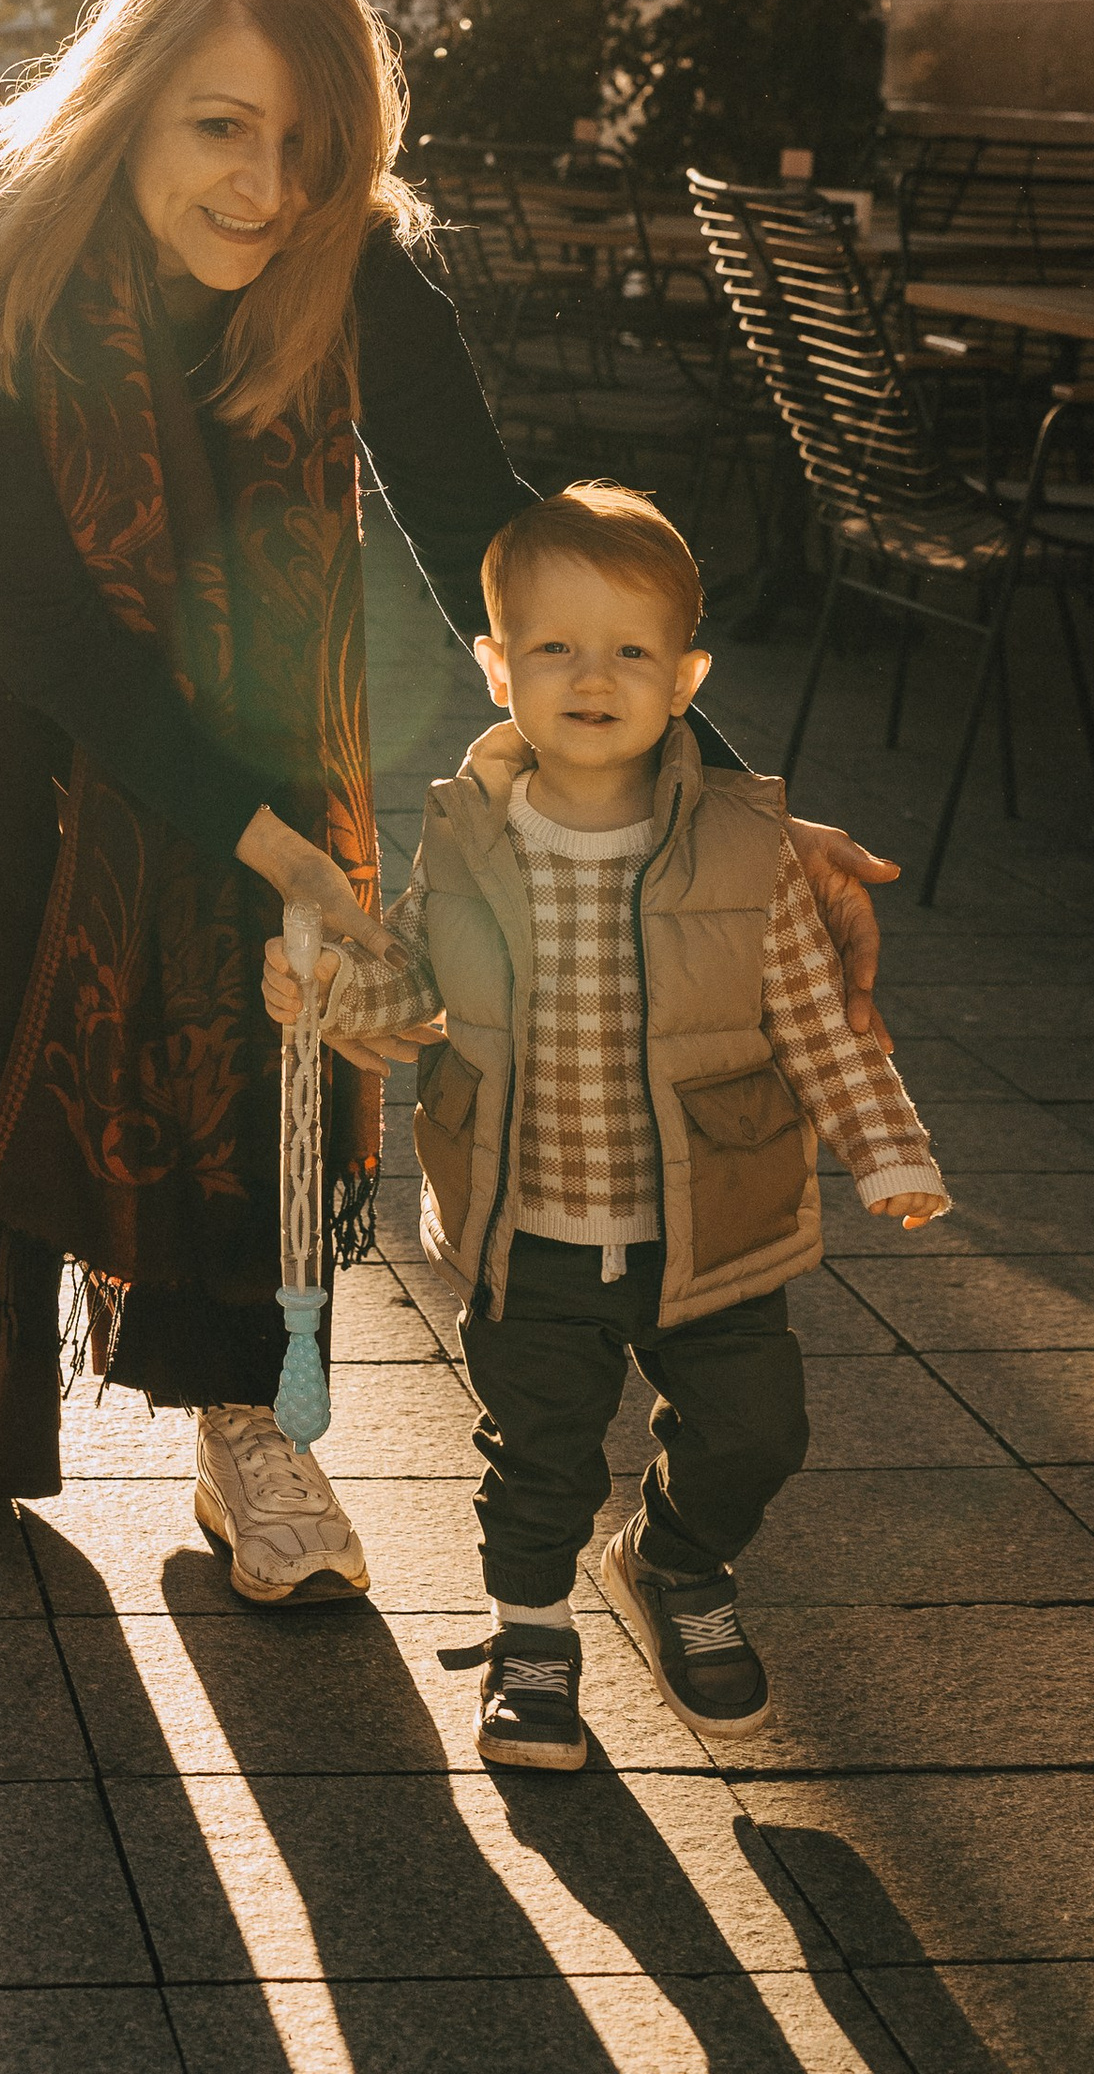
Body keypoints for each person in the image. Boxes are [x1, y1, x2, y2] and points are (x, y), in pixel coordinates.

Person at [0, 0, 897, 1609]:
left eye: (310, 146)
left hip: (199, 560)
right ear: (128, 101)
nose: (264, 189)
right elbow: (49, 641)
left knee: (269, 935)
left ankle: (248, 1417)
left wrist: (731, 808)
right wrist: (273, 842)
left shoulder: (346, 260)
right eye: (221, 127)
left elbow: (501, 549)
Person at [268, 479, 945, 1765]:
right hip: (535, 1229)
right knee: (539, 1456)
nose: (593, 675)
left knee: (758, 1429)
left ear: (685, 676)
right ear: (495, 666)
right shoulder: (467, 837)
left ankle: (677, 1561)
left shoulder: (745, 846)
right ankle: (530, 1639)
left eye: (631, 649)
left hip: (719, 1226)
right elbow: (413, 978)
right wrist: (333, 986)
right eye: (555, 647)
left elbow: (812, 1016)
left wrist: (884, 1143)